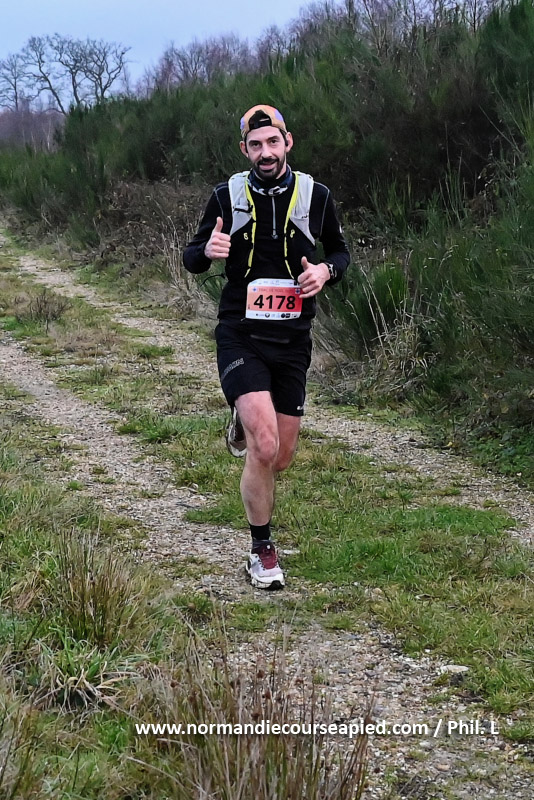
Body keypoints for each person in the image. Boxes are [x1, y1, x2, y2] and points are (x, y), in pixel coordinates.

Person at [183, 104, 350, 590]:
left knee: (281, 456)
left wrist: (326, 272)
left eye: (272, 142)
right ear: (244, 150)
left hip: (293, 338)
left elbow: (340, 251)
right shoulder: (226, 196)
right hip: (241, 332)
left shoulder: (316, 195)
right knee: (265, 442)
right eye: (255, 146)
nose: (265, 153)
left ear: (287, 142)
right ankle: (262, 550)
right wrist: (206, 252)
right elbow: (192, 256)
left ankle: (244, 420)